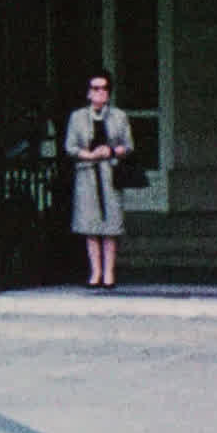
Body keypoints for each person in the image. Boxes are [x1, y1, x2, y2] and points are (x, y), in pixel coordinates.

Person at [65, 70, 134, 290]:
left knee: (111, 226)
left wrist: (112, 151)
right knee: (90, 225)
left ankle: (109, 273)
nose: (100, 93)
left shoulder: (119, 116)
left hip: (109, 173)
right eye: (96, 88)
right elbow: (70, 147)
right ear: (88, 92)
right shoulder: (77, 117)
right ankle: (95, 272)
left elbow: (128, 146)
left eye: (104, 88)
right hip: (87, 174)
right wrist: (90, 155)